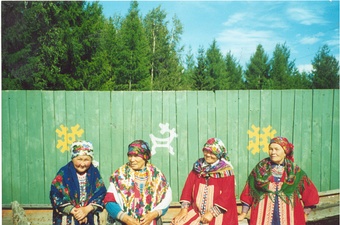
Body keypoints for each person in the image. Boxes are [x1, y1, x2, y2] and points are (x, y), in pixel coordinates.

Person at [238, 136, 319, 225]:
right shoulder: (260, 168)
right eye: (271, 149)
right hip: (263, 216)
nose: (273, 152)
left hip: (290, 216)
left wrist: (305, 212)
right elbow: (249, 191)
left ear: (285, 151)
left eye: (276, 149)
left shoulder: (294, 171)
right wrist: (243, 213)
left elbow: (310, 192)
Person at [172, 138, 238, 225]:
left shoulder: (226, 171)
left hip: (219, 212)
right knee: (177, 222)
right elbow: (188, 188)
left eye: (212, 153)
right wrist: (184, 209)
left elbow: (227, 195)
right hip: (197, 211)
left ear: (219, 154)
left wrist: (211, 213)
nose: (207, 155)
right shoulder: (198, 167)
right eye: (206, 151)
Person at [104, 140, 172, 225]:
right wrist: (125, 218)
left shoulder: (157, 176)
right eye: (130, 155)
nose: (132, 159)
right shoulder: (120, 175)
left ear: (145, 156)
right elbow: (109, 201)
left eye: (136, 156)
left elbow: (166, 200)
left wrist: (152, 215)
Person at [50, 141, 107, 225]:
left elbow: (101, 193)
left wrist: (86, 210)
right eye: (79, 159)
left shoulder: (94, 173)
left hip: (89, 216)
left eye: (86, 159)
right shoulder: (64, 173)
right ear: (73, 158)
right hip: (68, 218)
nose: (82, 164)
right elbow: (56, 194)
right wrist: (75, 212)